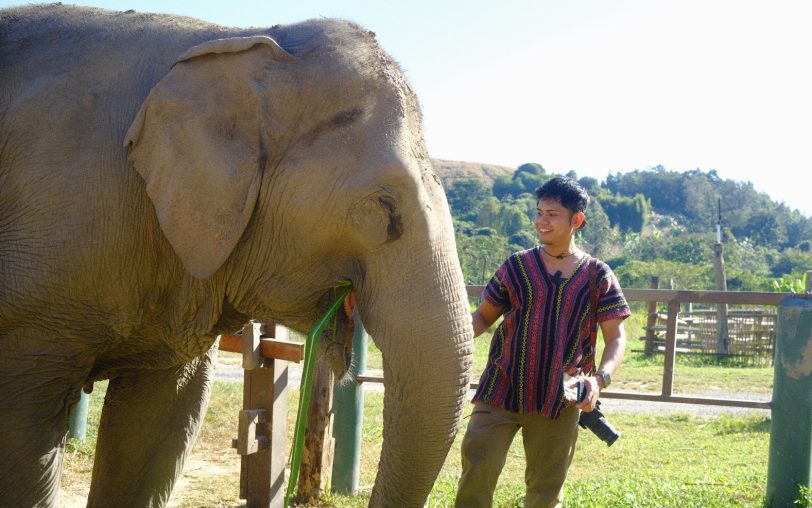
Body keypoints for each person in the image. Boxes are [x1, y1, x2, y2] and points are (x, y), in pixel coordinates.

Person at [455, 175, 631, 507]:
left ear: (576, 220)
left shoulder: (598, 275)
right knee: (476, 473)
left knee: (545, 492)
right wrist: (452, 337)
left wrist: (599, 381)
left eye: (551, 214)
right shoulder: (516, 267)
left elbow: (616, 337)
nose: (541, 221)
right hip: (500, 390)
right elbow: (482, 318)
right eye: (539, 212)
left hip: (559, 399)